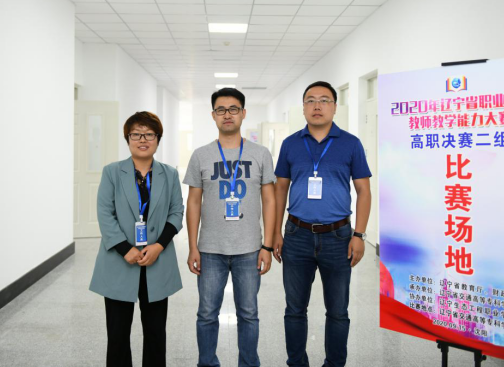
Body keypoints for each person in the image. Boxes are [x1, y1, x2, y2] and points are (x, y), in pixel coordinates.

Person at [273, 81, 372, 367]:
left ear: (335, 107)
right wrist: (275, 232)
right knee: (294, 309)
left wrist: (359, 234)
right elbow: (280, 190)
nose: (317, 106)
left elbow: (364, 191)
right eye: (311, 100)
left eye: (324, 100)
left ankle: (334, 364)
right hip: (297, 235)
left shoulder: (351, 143)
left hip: (338, 237)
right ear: (303, 107)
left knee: (338, 311)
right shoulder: (291, 143)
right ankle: (296, 363)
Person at [183, 87, 276, 367]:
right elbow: (193, 202)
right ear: (213, 115)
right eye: (221, 109)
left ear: (243, 113)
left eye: (233, 109)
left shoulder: (260, 154)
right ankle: (207, 363)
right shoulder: (201, 155)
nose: (227, 114)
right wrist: (192, 247)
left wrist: (267, 245)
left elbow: (270, 200)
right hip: (210, 250)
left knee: (248, 314)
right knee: (206, 314)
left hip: (250, 249)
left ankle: (248, 363)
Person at [90, 111, 184, 367]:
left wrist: (158, 246)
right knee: (117, 335)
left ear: (158, 139)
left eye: (149, 134)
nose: (143, 139)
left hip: (157, 261)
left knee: (155, 334)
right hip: (119, 261)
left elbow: (177, 213)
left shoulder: (169, 174)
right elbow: (105, 213)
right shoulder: (112, 172)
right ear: (128, 138)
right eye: (136, 134)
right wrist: (125, 249)